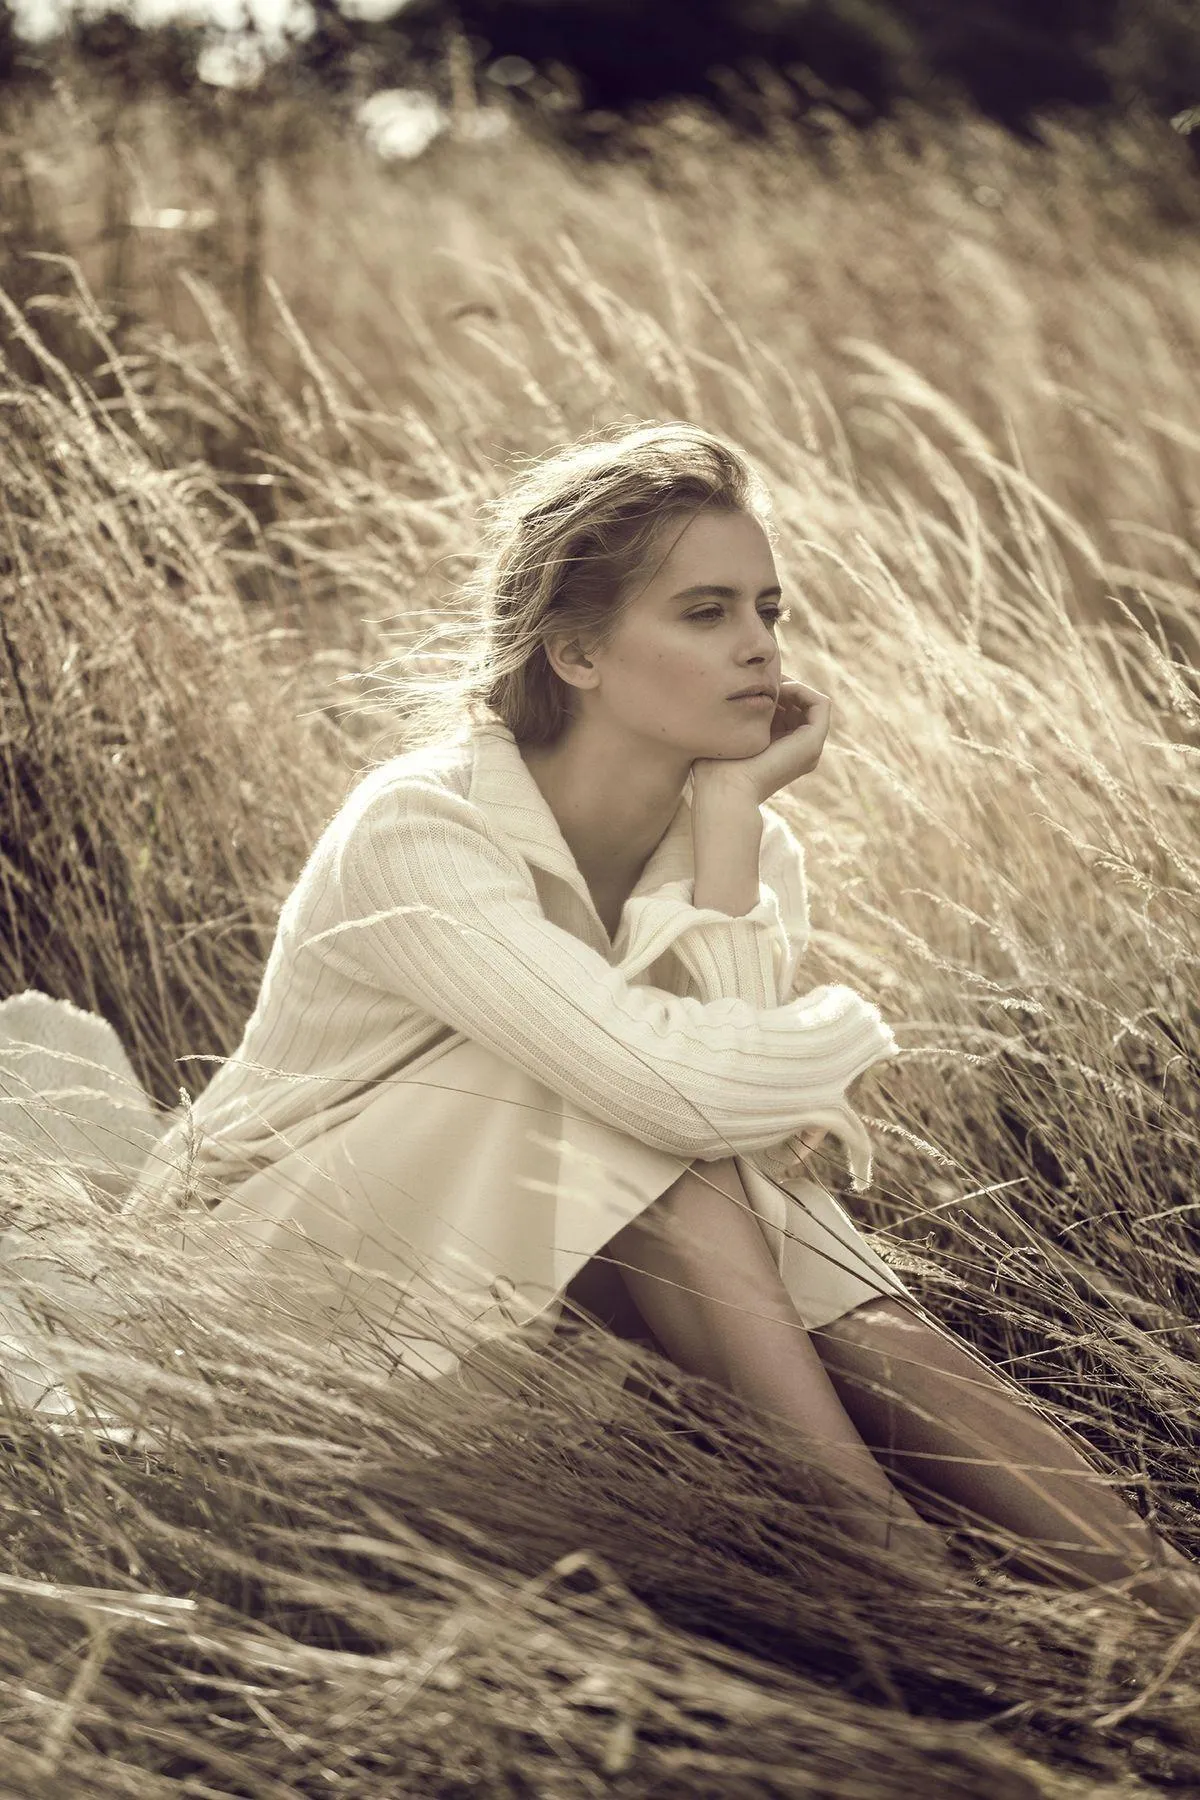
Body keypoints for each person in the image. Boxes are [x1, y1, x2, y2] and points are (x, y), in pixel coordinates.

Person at [6, 420, 1199, 1619]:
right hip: (268, 1283)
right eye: (705, 613)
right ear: (575, 652)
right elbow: (688, 1096)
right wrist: (801, 1049)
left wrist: (728, 822)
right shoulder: (420, 825)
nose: (760, 647)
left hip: (526, 1275)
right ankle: (909, 1584)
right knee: (626, 1121)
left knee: (777, 1224)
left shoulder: (745, 842)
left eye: (768, 610)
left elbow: (749, 1141)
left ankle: (1164, 1616)